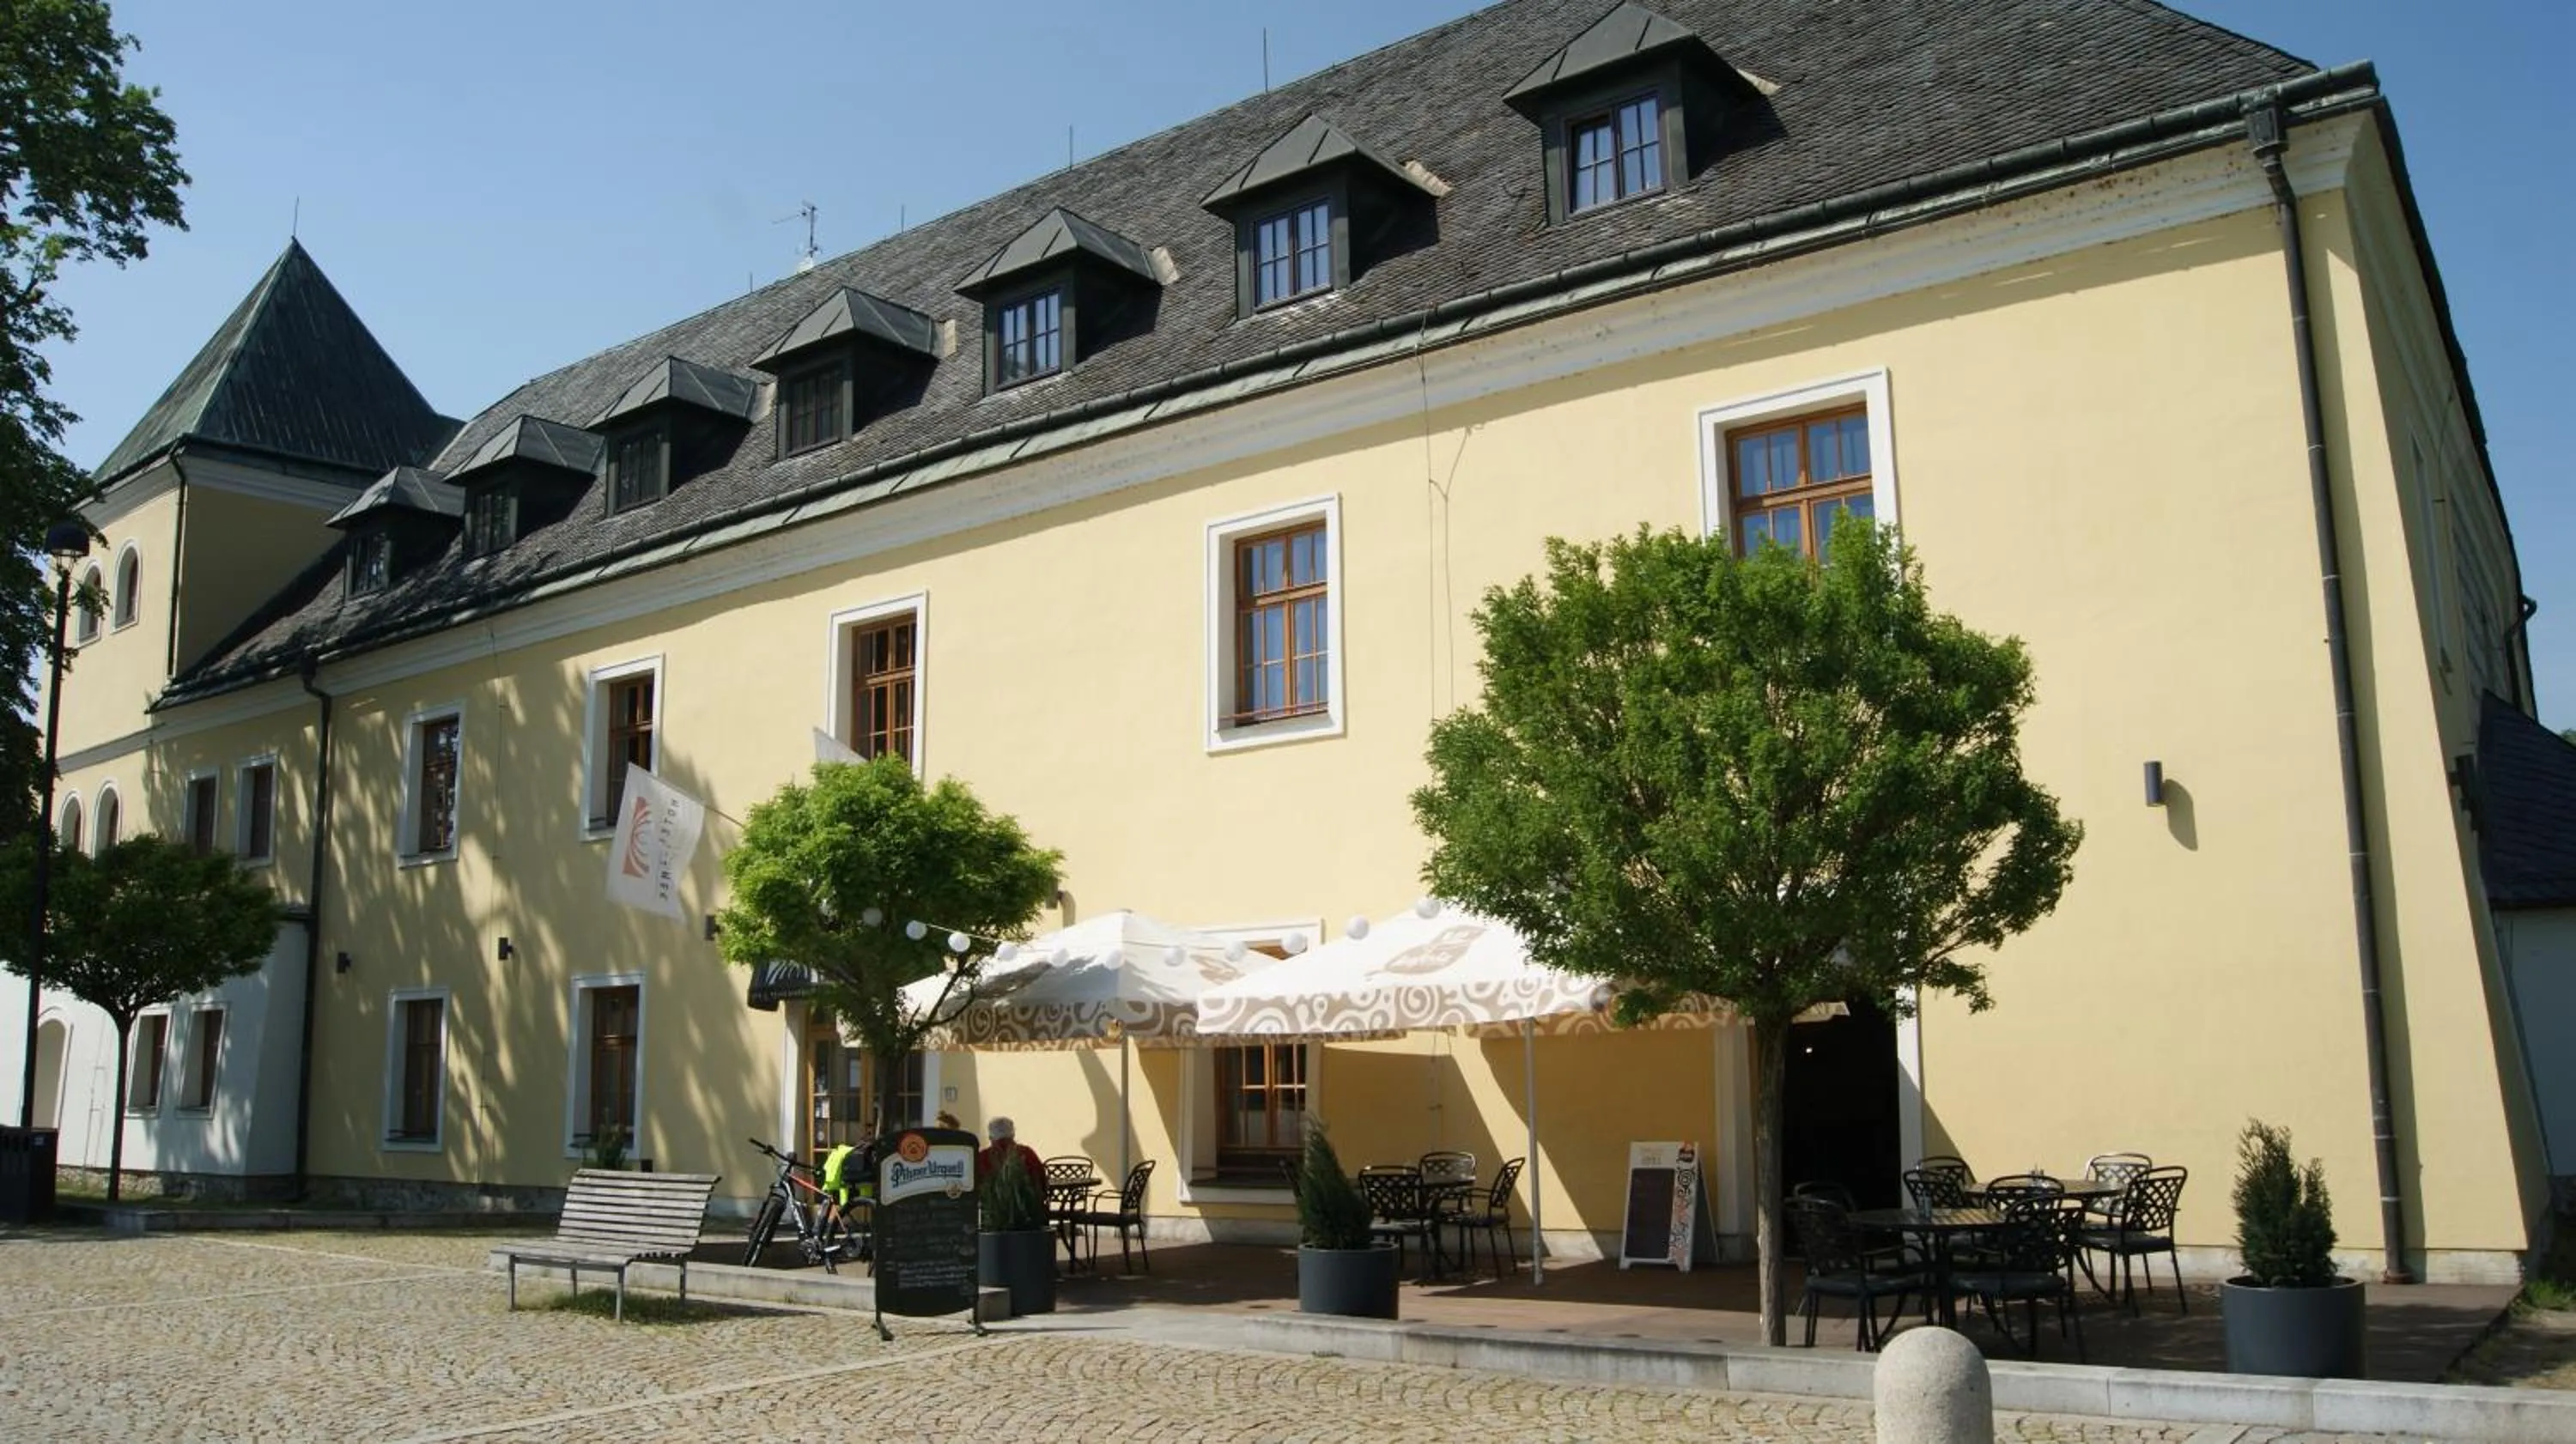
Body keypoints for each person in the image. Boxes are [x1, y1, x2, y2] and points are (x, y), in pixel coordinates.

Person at [977, 1116, 1045, 1191]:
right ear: (1013, 1135)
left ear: (990, 1137)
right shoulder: (1027, 1153)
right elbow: (1041, 1180)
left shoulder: (982, 1157)